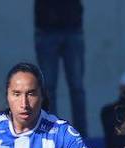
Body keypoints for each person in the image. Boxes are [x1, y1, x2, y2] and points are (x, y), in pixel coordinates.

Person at [34, 0, 87, 135]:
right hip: (47, 29)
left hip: (72, 27)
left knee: (77, 87)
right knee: (48, 87)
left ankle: (81, 136)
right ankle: (52, 132)